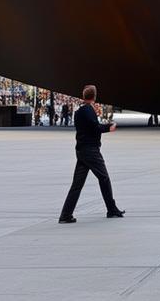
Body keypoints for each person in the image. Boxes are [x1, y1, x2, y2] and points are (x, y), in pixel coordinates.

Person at [58, 85, 124, 223]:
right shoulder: (88, 110)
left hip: (81, 151)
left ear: (84, 96)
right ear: (94, 96)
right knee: (104, 178)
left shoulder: (79, 111)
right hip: (90, 151)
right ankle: (111, 210)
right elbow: (95, 128)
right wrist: (109, 128)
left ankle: (65, 215)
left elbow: (88, 128)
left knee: (77, 184)